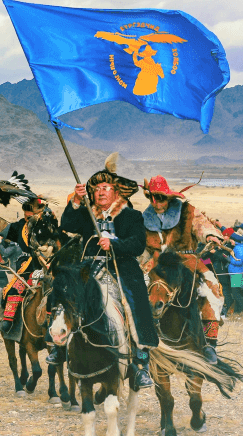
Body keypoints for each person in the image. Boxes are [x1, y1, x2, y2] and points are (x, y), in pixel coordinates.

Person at [58, 156, 157, 390]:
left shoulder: (132, 216)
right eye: (96, 189)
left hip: (121, 268)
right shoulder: (86, 214)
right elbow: (67, 224)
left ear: (116, 191)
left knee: (134, 303)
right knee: (66, 296)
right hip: (90, 267)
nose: (100, 192)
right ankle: (57, 346)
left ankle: (141, 363)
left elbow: (137, 245)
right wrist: (75, 200)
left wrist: (113, 244)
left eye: (105, 188)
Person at [139, 175, 225, 364]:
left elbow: (202, 226)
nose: (156, 202)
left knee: (212, 287)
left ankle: (210, 343)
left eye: (160, 197)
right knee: (135, 290)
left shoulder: (187, 211)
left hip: (185, 260)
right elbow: (142, 246)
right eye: (153, 197)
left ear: (168, 197)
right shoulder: (145, 217)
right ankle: (140, 343)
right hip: (156, 263)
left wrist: (210, 235)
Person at [0, 198, 50, 334]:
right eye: (26, 217)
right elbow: (5, 231)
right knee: (14, 289)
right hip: (27, 267)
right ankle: (8, 321)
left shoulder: (48, 226)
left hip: (46, 264)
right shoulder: (20, 226)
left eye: (30, 217)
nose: (28, 219)